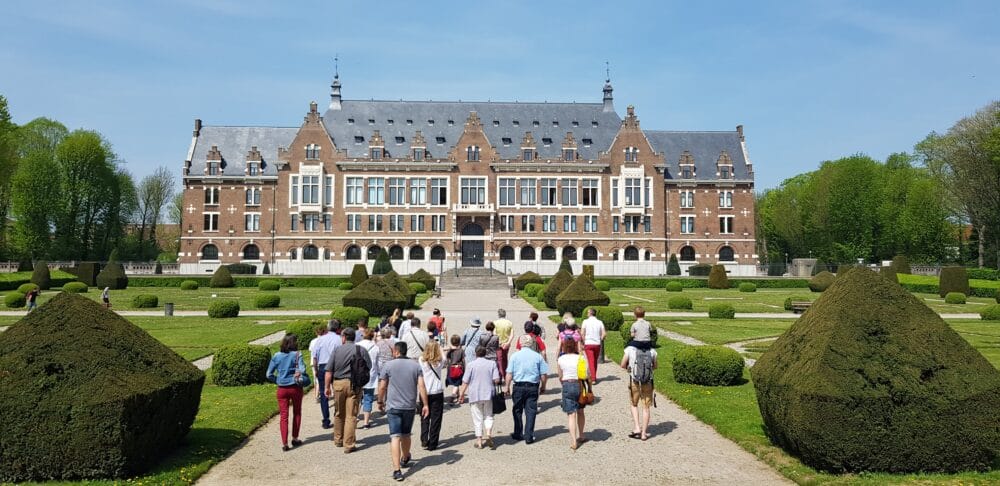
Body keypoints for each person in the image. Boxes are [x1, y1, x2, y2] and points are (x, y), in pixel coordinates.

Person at [378, 342, 430, 482]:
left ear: (395, 351)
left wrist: (380, 401)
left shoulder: (388, 365)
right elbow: (422, 386)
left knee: (395, 436)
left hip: (393, 406)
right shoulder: (415, 365)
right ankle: (405, 456)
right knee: (406, 434)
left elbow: (382, 386)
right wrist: (425, 404)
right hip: (409, 406)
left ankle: (397, 470)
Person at [326, 327, 371, 453]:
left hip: (339, 383)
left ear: (344, 337)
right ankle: (349, 444)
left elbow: (329, 371)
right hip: (354, 385)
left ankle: (338, 439)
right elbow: (369, 366)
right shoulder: (361, 350)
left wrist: (326, 387)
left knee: (339, 413)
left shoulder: (337, 350)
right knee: (351, 415)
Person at [265, 334, 308, 451]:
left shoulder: (277, 356)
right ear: (294, 343)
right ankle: (295, 438)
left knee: (284, 416)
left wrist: (278, 380)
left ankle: (284, 443)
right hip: (295, 387)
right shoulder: (297, 354)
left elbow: (268, 374)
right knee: (297, 413)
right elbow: (303, 370)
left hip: (282, 389)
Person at [505, 335, 548, 444]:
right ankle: (529, 435)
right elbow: (543, 374)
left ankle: (518, 433)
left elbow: (509, 373)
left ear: (520, 343)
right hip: (532, 386)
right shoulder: (537, 356)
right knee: (531, 411)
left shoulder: (514, 356)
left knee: (517, 410)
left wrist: (507, 387)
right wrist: (543, 386)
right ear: (531, 343)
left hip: (518, 386)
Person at [458, 346, 501, 449]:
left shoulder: (471, 365)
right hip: (488, 394)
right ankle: (489, 433)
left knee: (477, 418)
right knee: (488, 415)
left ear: (475, 353)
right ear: (485, 353)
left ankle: (479, 441)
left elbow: (465, 382)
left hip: (475, 394)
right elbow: (496, 380)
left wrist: (461, 395)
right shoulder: (492, 364)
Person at [621, 337, 658, 441]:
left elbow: (622, 364)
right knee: (646, 407)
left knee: (634, 404)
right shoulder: (652, 351)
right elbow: (655, 366)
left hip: (635, 381)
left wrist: (630, 367)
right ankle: (644, 433)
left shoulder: (630, 350)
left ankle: (637, 427)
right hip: (648, 381)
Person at [556, 339, 588, 450]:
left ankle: (574, 441)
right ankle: (582, 435)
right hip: (579, 384)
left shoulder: (561, 359)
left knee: (571, 414)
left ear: (564, 347)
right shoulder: (580, 358)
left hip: (567, 384)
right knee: (580, 411)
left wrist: (563, 383)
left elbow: (560, 375)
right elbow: (586, 374)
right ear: (575, 346)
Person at [418, 340, 447, 450]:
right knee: (436, 418)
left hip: (425, 391)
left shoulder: (421, 360)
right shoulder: (440, 361)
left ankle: (424, 438)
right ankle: (433, 442)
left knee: (424, 415)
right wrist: (439, 346)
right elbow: (443, 355)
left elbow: (423, 356)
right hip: (437, 391)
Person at [313, 319, 342, 429]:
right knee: (337, 391)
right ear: (338, 328)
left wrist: (316, 370)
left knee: (323, 394)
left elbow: (315, 357)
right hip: (335, 366)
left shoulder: (320, 340)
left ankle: (326, 420)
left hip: (323, 366)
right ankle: (337, 415)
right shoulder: (339, 339)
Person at [358, 328, 380, 429]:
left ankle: (355, 418)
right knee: (368, 398)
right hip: (371, 375)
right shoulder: (375, 347)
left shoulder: (358, 345)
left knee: (357, 397)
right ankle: (366, 422)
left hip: (359, 374)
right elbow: (377, 363)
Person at [580, 307, 606, 384]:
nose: (587, 314)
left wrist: (583, 341)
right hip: (597, 344)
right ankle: (594, 375)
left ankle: (593, 378)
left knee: (591, 361)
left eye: (588, 312)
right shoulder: (600, 322)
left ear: (590, 313)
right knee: (594, 361)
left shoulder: (585, 321)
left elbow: (582, 333)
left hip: (588, 343)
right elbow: (604, 334)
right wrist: (600, 339)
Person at [308, 324, 327, 403]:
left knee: (316, 379)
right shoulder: (325, 340)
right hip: (322, 361)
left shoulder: (313, 341)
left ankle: (317, 395)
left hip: (313, 361)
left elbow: (311, 350)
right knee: (322, 379)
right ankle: (320, 394)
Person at [493, 309, 514, 379]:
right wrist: (508, 343)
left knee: (499, 359)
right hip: (506, 344)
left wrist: (499, 342)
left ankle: (500, 374)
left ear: (498, 315)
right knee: (505, 359)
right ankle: (505, 374)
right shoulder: (509, 323)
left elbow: (494, 333)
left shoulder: (495, 323)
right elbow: (512, 334)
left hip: (498, 344)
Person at [445, 334, 465, 405]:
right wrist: (464, 369)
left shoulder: (450, 351)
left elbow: (447, 359)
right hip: (458, 368)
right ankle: (453, 396)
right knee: (457, 383)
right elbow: (463, 360)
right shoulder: (461, 351)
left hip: (451, 368)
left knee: (456, 383)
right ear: (459, 342)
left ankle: (458, 395)